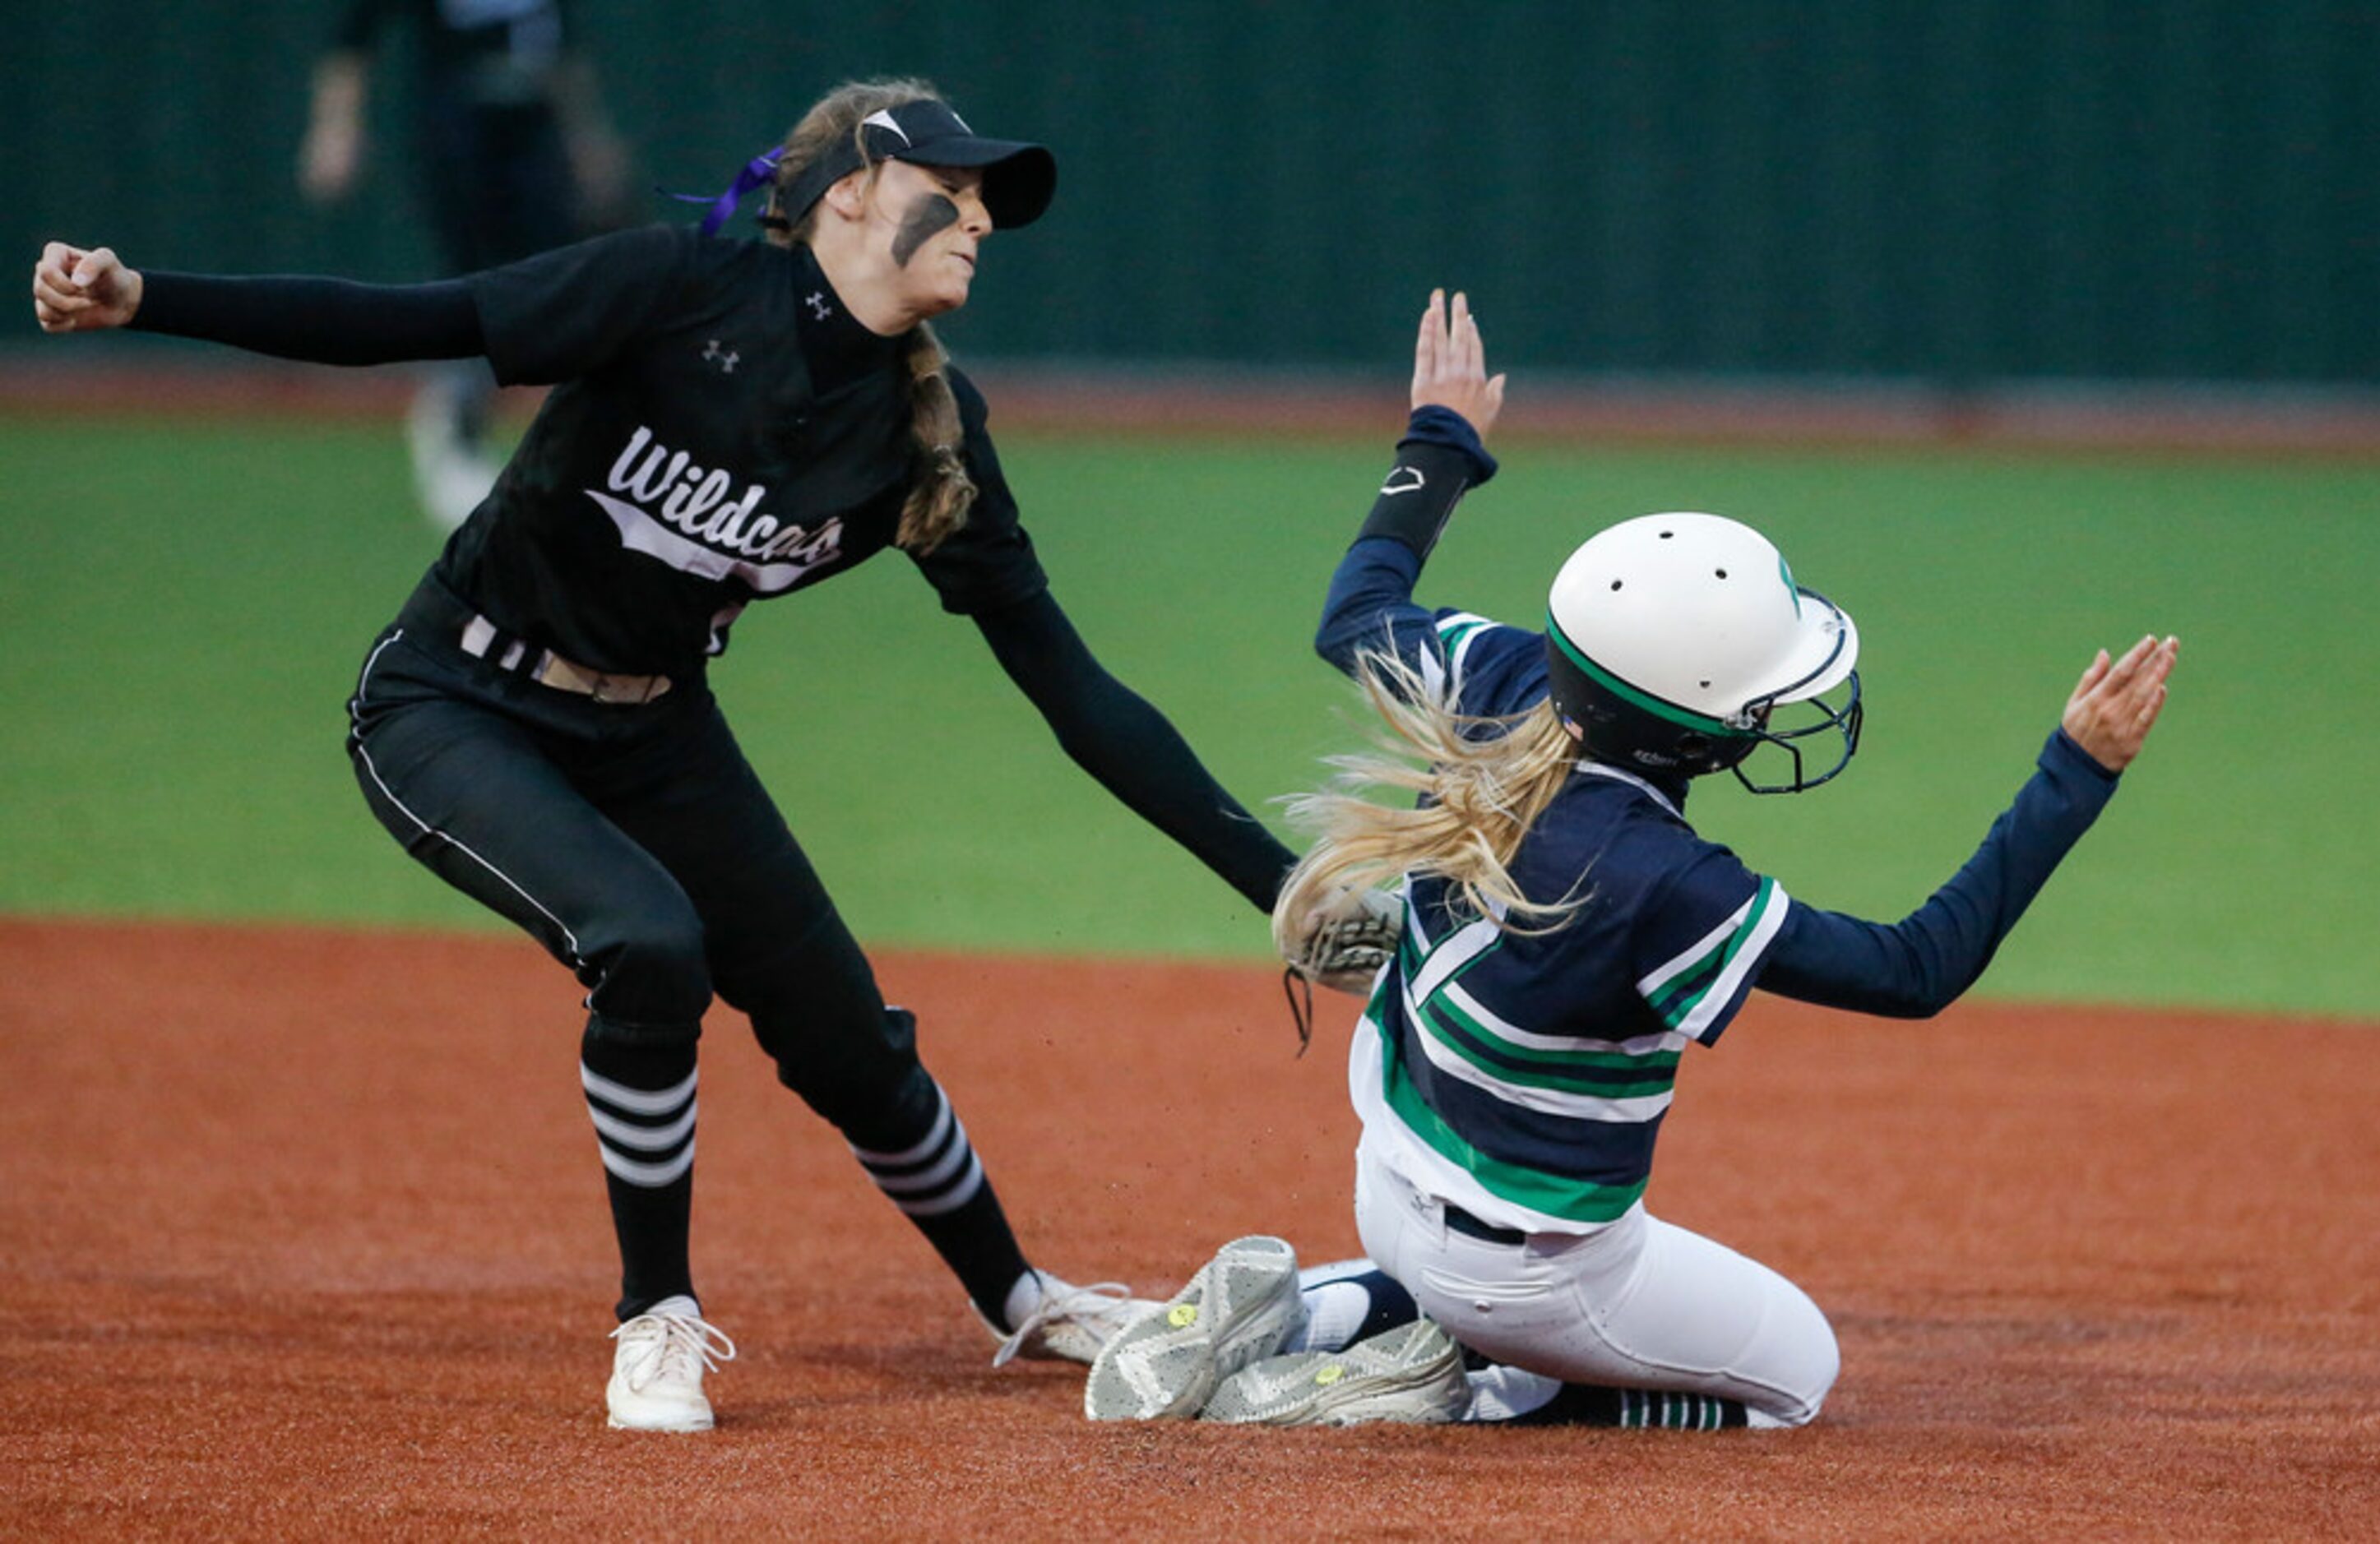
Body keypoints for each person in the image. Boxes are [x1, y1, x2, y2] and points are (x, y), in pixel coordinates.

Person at [33, 78, 1391, 1435]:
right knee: (649, 940)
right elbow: (405, 322)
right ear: (849, 188)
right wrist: (144, 296)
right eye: (953, 188)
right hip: (455, 702)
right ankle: (655, 1318)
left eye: (989, 201)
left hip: (655, 724)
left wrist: (1284, 888)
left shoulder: (927, 436)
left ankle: (1017, 1294)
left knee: (845, 1033)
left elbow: (1076, 696)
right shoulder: (671, 291)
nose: (979, 217)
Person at [1084, 290, 2180, 1430]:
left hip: (1386, 1185)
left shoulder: (1509, 681)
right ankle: (1464, 1392)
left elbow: (1356, 608)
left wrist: (1439, 436)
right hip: (1534, 1273)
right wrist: (2077, 768)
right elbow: (1918, 968)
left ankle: (1308, 1312)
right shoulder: (1667, 880)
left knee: (1468, 1231)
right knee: (1796, 1378)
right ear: (1690, 728)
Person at [299, 0, 633, 530]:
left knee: (557, 279)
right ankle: (455, 428)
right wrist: (334, 128)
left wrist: (589, 141)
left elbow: (564, 49)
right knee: (471, 281)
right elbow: (354, 37)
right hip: (459, 114)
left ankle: (583, 452)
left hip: (533, 116)